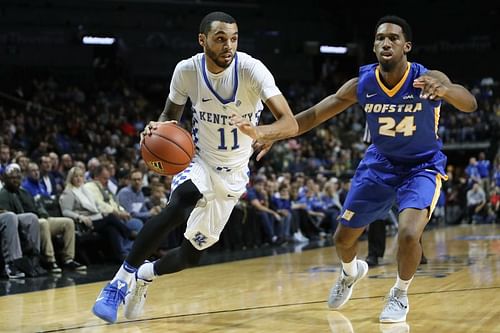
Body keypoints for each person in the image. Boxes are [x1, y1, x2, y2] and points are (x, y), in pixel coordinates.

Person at [232, 15, 477, 323]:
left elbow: (469, 103)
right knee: (342, 239)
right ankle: (350, 272)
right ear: (374, 46)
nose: (385, 42)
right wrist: (272, 133)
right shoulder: (362, 84)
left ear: (406, 46)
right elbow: (312, 116)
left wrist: (443, 91)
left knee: (408, 233)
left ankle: (399, 294)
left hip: (421, 167)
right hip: (379, 165)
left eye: (393, 38)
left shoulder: (427, 76)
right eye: (379, 38)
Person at [92, 11, 297, 324]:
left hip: (234, 176)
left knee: (189, 256)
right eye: (220, 39)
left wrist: (262, 132)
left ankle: (145, 275)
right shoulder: (187, 70)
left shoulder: (252, 69)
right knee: (181, 202)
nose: (228, 45)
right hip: (198, 160)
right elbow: (169, 115)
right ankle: (119, 282)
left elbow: (290, 122)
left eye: (233, 38)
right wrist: (156, 129)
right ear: (202, 40)